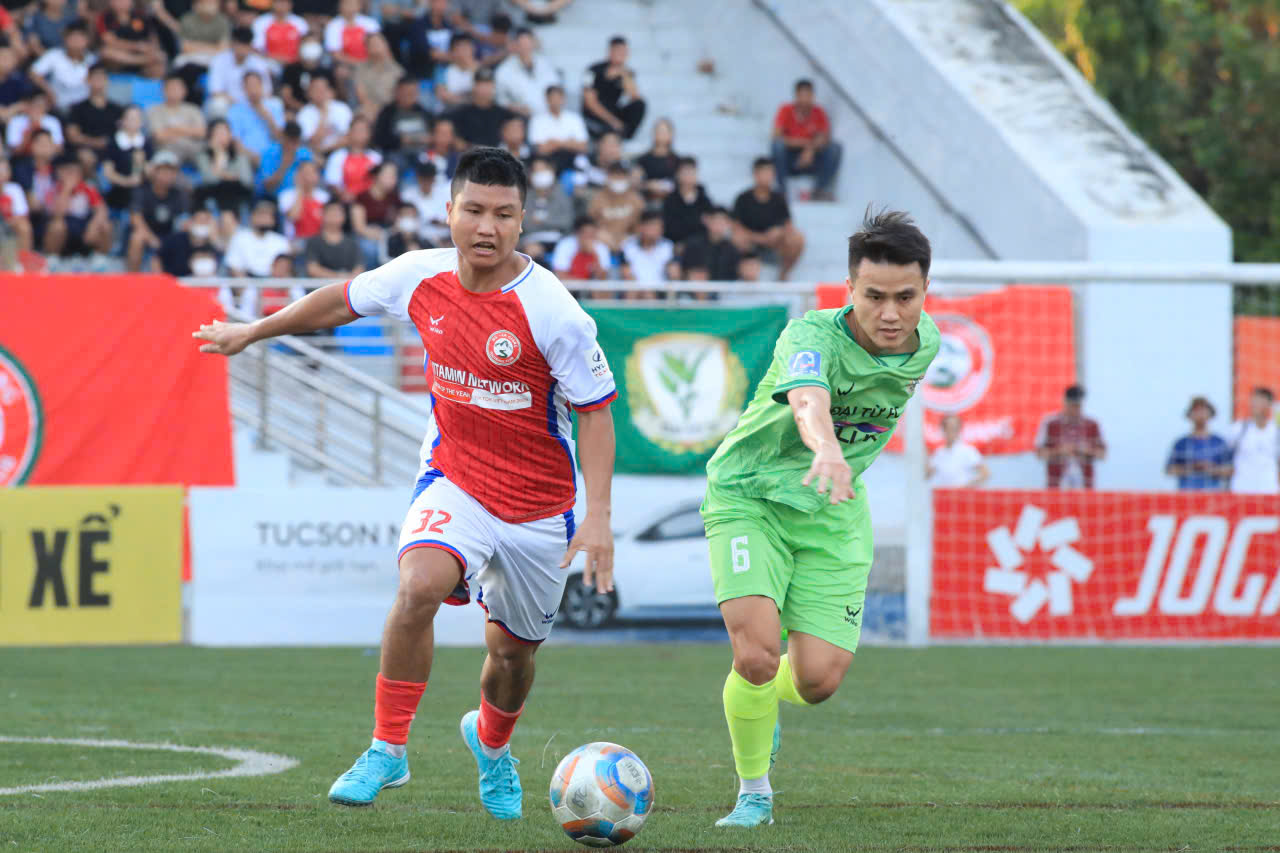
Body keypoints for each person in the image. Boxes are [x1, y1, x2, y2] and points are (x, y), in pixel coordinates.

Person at [193, 146, 617, 822]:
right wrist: (254, 330)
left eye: (503, 215)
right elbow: (340, 301)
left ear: (521, 221)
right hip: (455, 477)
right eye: (473, 210)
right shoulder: (419, 274)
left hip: (539, 507)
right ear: (449, 211)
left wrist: (598, 516)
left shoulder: (555, 313)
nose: (486, 227)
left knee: (511, 656)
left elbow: (595, 412)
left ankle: (492, 743)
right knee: (419, 585)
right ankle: (388, 748)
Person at [699, 209, 939, 828]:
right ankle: (754, 792)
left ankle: (761, 701)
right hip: (750, 496)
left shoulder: (927, 344)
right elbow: (809, 399)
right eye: (874, 296)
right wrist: (827, 446)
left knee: (817, 682)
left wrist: (836, 465)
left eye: (905, 297)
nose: (891, 313)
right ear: (849, 289)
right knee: (756, 655)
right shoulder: (809, 338)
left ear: (925, 291)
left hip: (832, 508)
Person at [733, 158, 805, 280]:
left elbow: (788, 224)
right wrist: (760, 238)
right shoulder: (743, 199)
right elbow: (736, 226)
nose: (768, 177)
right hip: (751, 242)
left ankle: (783, 274)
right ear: (755, 174)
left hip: (774, 243)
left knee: (797, 238)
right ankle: (745, 275)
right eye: (764, 172)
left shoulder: (778, 198)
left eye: (770, 173)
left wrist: (779, 232)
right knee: (737, 238)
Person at [771, 79, 842, 201]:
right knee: (777, 146)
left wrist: (810, 150)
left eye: (807, 95)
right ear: (796, 96)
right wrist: (805, 144)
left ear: (812, 96)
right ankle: (781, 191)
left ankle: (819, 190)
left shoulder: (818, 111)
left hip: (811, 159)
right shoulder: (786, 109)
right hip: (790, 158)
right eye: (801, 95)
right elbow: (776, 136)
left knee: (835, 148)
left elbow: (824, 137)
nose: (804, 99)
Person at [127, 151, 191, 272]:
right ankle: (133, 277)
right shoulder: (142, 191)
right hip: (147, 234)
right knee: (137, 238)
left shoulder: (179, 194)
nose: (167, 176)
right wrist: (152, 240)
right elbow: (136, 219)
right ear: (154, 172)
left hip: (169, 235)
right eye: (163, 171)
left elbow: (183, 220)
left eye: (171, 172)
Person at [1035, 385, 1107, 489]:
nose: (1075, 409)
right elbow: (1040, 454)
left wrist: (1084, 450)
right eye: (1072, 405)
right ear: (1065, 403)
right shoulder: (1050, 424)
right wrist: (1060, 451)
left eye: (1078, 405)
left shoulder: (1092, 425)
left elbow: (1102, 455)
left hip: (1085, 485)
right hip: (1056, 485)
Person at [582, 35, 645, 140]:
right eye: (618, 51)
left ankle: (625, 136)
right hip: (595, 115)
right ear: (610, 51)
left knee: (640, 105)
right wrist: (613, 121)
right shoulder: (592, 70)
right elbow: (590, 102)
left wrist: (624, 74)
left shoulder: (626, 72)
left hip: (613, 110)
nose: (622, 55)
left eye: (624, 52)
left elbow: (635, 97)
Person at [1165, 396, 1232, 491]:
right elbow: (1170, 470)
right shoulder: (1181, 444)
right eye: (1196, 411)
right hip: (1187, 494)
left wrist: (1210, 468)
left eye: (1203, 410)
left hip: (1212, 494)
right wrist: (1193, 467)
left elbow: (1229, 470)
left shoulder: (1219, 443)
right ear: (1190, 415)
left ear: (1210, 414)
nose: (1200, 414)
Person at [28, 19, 93, 112]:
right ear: (65, 39)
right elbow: (33, 72)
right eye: (73, 38)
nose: (76, 42)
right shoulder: (54, 55)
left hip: (85, 109)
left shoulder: (92, 60)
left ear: (86, 40)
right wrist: (49, 91)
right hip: (58, 107)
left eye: (79, 38)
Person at [493, 27, 559, 117]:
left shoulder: (546, 63)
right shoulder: (503, 70)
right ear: (514, 45)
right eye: (522, 44)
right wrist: (515, 108)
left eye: (528, 43)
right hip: (521, 117)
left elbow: (555, 88)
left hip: (547, 116)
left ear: (533, 43)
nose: (526, 48)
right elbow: (500, 100)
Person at [226, 71, 285, 169]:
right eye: (249, 86)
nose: (253, 90)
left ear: (261, 86)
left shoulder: (275, 106)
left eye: (255, 85)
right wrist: (253, 157)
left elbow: (281, 138)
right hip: (248, 159)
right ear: (244, 88)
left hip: (273, 157)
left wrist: (267, 117)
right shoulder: (235, 110)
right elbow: (236, 143)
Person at [195, 119, 255, 214]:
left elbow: (247, 182)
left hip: (237, 197)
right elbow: (210, 180)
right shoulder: (203, 157)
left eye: (224, 133)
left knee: (230, 188)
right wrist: (218, 153)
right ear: (210, 136)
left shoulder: (239, 156)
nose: (221, 137)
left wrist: (220, 174)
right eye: (217, 133)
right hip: (214, 196)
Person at [147, 73, 207, 166]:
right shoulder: (154, 110)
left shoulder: (193, 109)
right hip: (168, 150)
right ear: (163, 91)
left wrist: (174, 129)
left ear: (184, 91)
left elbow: (201, 133)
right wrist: (189, 131)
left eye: (178, 88)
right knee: (165, 159)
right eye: (171, 88)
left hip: (193, 149)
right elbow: (159, 136)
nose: (175, 92)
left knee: (206, 156)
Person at [526, 83, 587, 175]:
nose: (556, 101)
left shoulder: (575, 118)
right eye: (553, 98)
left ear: (564, 99)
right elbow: (540, 149)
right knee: (539, 167)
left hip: (572, 158)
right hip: (548, 159)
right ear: (547, 99)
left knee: (582, 162)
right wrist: (569, 142)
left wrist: (554, 143)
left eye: (559, 97)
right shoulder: (537, 120)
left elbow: (583, 147)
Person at [1228, 387, 1280, 494]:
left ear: (1269, 404)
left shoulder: (1276, 431)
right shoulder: (1238, 428)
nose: (1255, 404)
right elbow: (1226, 455)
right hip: (1241, 490)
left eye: (1260, 400)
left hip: (1269, 489)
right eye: (1254, 400)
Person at [448, 68, 515, 149]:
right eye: (481, 84)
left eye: (488, 84)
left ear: (493, 87)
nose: (485, 89)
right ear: (474, 86)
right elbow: (457, 141)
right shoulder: (460, 113)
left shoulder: (503, 114)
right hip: (469, 154)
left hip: (497, 154)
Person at [208, 27, 274, 108]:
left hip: (254, 105)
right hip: (229, 104)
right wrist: (239, 105)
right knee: (218, 104)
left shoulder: (259, 63)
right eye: (240, 45)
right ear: (233, 44)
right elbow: (216, 91)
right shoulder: (219, 61)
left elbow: (267, 92)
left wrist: (251, 104)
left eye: (246, 45)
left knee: (274, 103)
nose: (243, 49)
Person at [225, 199, 292, 278]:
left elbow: (285, 269)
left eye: (268, 215)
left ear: (273, 220)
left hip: (274, 282)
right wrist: (247, 284)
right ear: (252, 217)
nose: (264, 219)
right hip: (245, 281)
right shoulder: (239, 238)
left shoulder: (281, 241)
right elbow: (233, 267)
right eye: (261, 215)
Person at [65, 63, 122, 157]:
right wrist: (95, 142)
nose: (99, 81)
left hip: (113, 152)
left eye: (102, 78)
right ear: (88, 80)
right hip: (87, 150)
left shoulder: (117, 109)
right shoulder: (78, 109)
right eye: (96, 78)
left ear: (107, 81)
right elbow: (73, 136)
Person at [324, 115, 383, 201]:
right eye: (356, 130)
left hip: (370, 201)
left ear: (369, 134)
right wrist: (346, 195)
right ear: (349, 133)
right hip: (345, 201)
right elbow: (333, 183)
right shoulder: (338, 156)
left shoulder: (376, 158)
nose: (359, 133)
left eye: (362, 130)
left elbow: (381, 183)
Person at [586, 162, 642, 252]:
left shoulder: (636, 199)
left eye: (622, 175)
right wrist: (599, 234)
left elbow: (640, 225)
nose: (618, 179)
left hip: (628, 243)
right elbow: (589, 222)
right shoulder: (597, 199)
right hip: (602, 242)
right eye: (615, 175)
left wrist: (628, 238)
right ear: (608, 177)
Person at [373, 76, 434, 159]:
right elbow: (379, 139)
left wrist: (429, 139)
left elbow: (434, 135)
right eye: (407, 93)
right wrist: (400, 140)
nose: (411, 96)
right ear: (398, 92)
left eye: (414, 93)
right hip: (396, 155)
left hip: (422, 155)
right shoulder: (387, 113)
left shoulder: (424, 113)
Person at [303, 199, 363, 278]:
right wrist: (338, 277)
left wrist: (347, 279)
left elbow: (359, 268)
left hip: (346, 284)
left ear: (344, 216)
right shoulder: (314, 242)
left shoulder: (352, 243)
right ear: (323, 215)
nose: (334, 216)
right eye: (331, 213)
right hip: (322, 284)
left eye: (337, 213)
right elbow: (312, 269)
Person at [298, 74, 355, 156]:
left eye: (323, 89)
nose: (320, 93)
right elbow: (313, 141)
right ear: (309, 93)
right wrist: (324, 114)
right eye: (316, 90)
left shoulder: (342, 108)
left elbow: (350, 137)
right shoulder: (304, 113)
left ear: (330, 91)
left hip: (340, 152)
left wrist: (326, 149)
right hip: (314, 155)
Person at [661, 156, 712, 248]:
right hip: (676, 244)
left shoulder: (704, 200)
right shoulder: (670, 200)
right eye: (686, 172)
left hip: (701, 245)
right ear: (677, 175)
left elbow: (708, 225)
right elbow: (669, 227)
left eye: (692, 172)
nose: (689, 176)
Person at [927, 414, 989, 488]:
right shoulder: (939, 452)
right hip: (943, 493)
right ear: (943, 429)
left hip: (961, 493)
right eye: (947, 428)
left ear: (959, 430)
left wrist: (966, 486)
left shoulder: (968, 451)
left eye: (954, 428)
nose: (951, 431)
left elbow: (985, 473)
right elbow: (928, 474)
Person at [679, 206, 739, 281]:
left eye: (723, 221)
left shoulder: (732, 249)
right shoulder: (694, 244)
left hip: (724, 287)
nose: (719, 225)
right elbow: (688, 270)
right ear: (708, 221)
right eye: (717, 221)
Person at [354, 32, 404, 120]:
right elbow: (361, 94)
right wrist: (373, 109)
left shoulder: (397, 70)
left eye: (378, 43)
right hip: (369, 109)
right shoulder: (360, 69)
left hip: (391, 109)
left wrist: (386, 111)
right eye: (372, 44)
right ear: (367, 47)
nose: (376, 46)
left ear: (385, 45)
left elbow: (400, 95)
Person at [401, 160, 451, 245]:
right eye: (423, 179)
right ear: (418, 178)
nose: (426, 182)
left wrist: (442, 223)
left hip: (445, 240)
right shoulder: (408, 195)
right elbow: (406, 221)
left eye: (429, 179)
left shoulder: (445, 194)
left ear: (433, 179)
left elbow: (452, 220)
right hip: (420, 241)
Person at [279, 159, 330, 241]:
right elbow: (294, 217)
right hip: (295, 240)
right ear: (298, 175)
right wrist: (300, 189)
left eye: (311, 173)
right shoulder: (286, 195)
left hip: (319, 240)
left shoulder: (324, 197)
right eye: (305, 173)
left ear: (317, 176)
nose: (307, 177)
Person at [620, 210, 674, 285]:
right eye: (653, 226)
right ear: (641, 227)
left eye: (659, 227)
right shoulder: (628, 245)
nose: (657, 230)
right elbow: (626, 273)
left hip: (660, 289)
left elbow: (673, 274)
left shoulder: (667, 246)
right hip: (635, 288)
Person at [551, 214, 611, 281]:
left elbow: (603, 278)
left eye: (592, 234)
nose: (589, 238)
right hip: (569, 286)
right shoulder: (565, 245)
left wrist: (594, 254)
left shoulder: (601, 248)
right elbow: (560, 276)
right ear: (577, 233)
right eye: (586, 233)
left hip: (592, 286)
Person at [324, 0, 381, 66]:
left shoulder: (370, 23)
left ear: (359, 6)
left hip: (372, 64)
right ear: (340, 6)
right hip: (346, 66)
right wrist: (360, 65)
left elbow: (380, 47)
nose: (350, 6)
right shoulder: (332, 25)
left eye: (353, 3)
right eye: (347, 4)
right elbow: (336, 55)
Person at [636, 117, 679, 202]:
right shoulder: (643, 160)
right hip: (647, 202)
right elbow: (636, 182)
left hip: (672, 203)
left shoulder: (677, 160)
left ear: (671, 134)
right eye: (659, 131)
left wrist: (665, 186)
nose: (661, 135)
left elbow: (681, 183)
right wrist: (649, 185)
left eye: (664, 132)